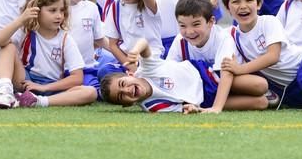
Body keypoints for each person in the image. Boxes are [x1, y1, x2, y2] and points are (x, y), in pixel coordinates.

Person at [0, 0, 97, 109]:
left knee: (90, 92)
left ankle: (38, 101)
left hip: (52, 86)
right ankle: (4, 92)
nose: (59, 16)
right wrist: (21, 20)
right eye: (52, 10)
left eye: (62, 10)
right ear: (36, 10)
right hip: (25, 81)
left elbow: (77, 77)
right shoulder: (26, 31)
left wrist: (43, 88)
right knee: (8, 46)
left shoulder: (65, 39)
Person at [100, 34, 268, 112]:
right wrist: (192, 109)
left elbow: (144, 42)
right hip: (205, 100)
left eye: (123, 84)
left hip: (204, 75)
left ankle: (272, 90)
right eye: (122, 96)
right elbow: (180, 109)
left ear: (129, 76)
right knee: (262, 103)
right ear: (128, 105)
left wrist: (135, 51)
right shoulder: (153, 106)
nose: (127, 90)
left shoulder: (146, 69)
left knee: (260, 85)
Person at [167, 0, 271, 111]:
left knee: (261, 89)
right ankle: (198, 103)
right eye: (183, 26)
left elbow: (226, 73)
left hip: (222, 80)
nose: (189, 31)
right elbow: (169, 69)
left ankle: (207, 103)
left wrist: (216, 108)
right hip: (198, 86)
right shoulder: (180, 41)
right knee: (261, 100)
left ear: (211, 22)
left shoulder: (223, 38)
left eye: (196, 24)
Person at [46, 0, 106, 92]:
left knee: (93, 90)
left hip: (85, 69)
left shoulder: (91, 8)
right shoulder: (52, 10)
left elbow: (100, 40)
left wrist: (123, 56)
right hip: (56, 72)